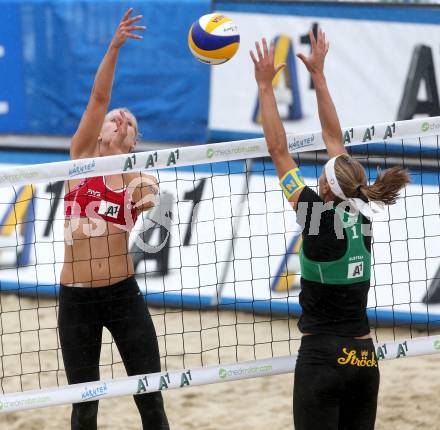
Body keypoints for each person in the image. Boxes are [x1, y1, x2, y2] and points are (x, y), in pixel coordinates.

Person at [250, 31, 410, 429]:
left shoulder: (316, 217)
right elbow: (335, 141)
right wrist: (320, 76)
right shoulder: (361, 208)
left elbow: (278, 150)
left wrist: (264, 88)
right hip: (363, 358)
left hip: (322, 358)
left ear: (324, 188)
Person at [59, 8, 169, 430]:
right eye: (114, 119)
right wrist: (115, 45)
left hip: (123, 296)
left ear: (134, 140)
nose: (120, 119)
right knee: (85, 406)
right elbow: (99, 98)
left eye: (129, 122)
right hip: (76, 299)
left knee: (151, 400)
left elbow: (150, 196)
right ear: (100, 132)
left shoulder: (137, 175)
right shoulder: (80, 158)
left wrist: (149, 202)